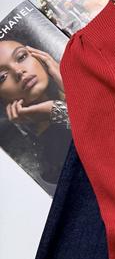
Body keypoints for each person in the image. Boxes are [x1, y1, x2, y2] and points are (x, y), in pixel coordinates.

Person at [0, 39, 71, 184]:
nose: (18, 71)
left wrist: (69, 88)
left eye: (21, 57)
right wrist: (58, 112)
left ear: (40, 56)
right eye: (2, 77)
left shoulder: (90, 75)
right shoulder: (46, 160)